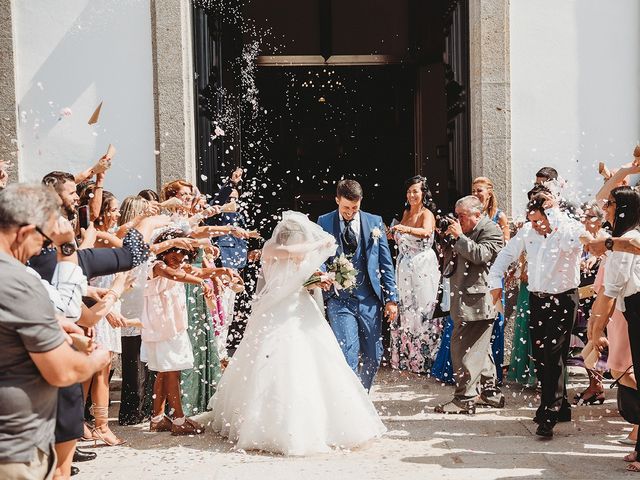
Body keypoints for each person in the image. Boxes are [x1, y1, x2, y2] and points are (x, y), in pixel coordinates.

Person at [203, 211, 386, 455]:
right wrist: (321, 244)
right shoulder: (272, 250)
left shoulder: (295, 253)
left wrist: (317, 279)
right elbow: (290, 260)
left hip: (301, 309)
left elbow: (296, 279)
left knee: (318, 360)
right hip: (278, 313)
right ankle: (266, 425)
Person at [0, 183, 109, 480]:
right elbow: (61, 372)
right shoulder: (17, 281)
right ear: (23, 233)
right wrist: (97, 360)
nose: (40, 252)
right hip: (13, 448)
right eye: (44, 241)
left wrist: (52, 327)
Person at [489, 191, 587, 437]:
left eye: (538, 220)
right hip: (537, 298)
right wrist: (495, 280)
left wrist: (554, 213)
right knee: (541, 354)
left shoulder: (567, 229)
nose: (534, 225)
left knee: (554, 354)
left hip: (563, 299)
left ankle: (549, 412)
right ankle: (561, 404)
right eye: (531, 220)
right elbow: (507, 253)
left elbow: (576, 239)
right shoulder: (528, 232)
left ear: (550, 214)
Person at [317, 180, 399, 391]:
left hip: (369, 299)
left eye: (355, 207)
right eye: (346, 207)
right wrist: (323, 274)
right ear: (337, 200)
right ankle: (351, 404)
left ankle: (362, 394)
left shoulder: (374, 222)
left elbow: (385, 263)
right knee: (348, 354)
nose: (350, 212)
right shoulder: (324, 222)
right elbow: (319, 258)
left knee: (373, 354)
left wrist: (391, 299)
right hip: (339, 300)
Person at [434, 196, 504, 414]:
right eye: (457, 215)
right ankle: (490, 393)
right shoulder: (463, 230)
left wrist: (459, 236)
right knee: (480, 349)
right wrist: (445, 239)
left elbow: (481, 255)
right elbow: (451, 262)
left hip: (479, 300)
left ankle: (464, 398)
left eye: (462, 216)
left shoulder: (491, 230)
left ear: (477, 214)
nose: (458, 219)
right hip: (466, 298)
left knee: (462, 348)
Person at [588, 186, 640, 471]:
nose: (605, 207)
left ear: (622, 209)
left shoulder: (628, 238)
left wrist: (596, 329)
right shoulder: (625, 238)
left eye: (610, 204)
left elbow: (612, 289)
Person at [388, 176, 441, 374]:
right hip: (404, 269)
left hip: (423, 267)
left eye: (415, 191)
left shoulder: (427, 213)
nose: (411, 195)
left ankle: (426, 360)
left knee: (423, 310)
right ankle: (409, 358)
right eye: (409, 191)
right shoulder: (406, 212)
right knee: (407, 311)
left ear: (423, 193)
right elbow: (402, 236)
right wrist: (391, 232)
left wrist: (404, 228)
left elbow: (426, 232)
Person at [472, 176, 510, 384]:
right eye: (474, 190)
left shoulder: (499, 217)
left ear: (489, 192)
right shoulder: (470, 215)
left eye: (479, 190)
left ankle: (494, 370)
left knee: (495, 320)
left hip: (493, 275)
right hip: (473, 275)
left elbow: (506, 247)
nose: (476, 193)